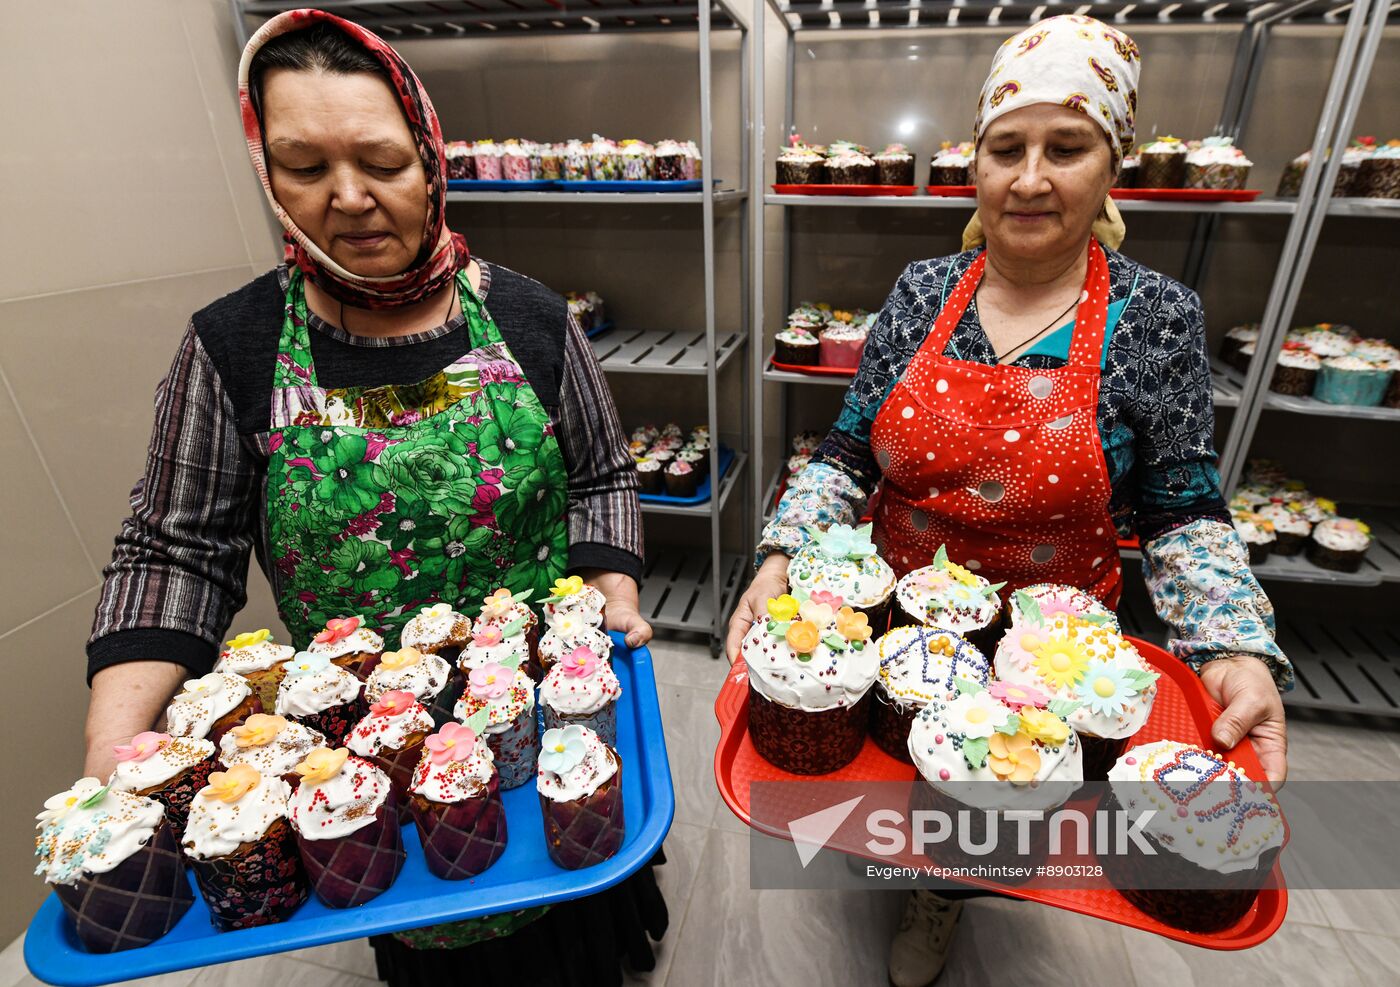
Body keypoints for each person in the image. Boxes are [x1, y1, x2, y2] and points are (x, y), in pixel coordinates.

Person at [83, 10, 664, 985]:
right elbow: (174, 552)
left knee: (575, 900)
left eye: (382, 163)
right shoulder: (235, 349)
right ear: (265, 170)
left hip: (541, 712)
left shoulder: (526, 319)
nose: (348, 198)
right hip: (364, 751)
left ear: (430, 161)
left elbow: (600, 476)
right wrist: (114, 746)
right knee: (436, 917)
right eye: (304, 167)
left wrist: (611, 592)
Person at [726, 15, 1291, 987]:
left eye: (1064, 149)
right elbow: (849, 448)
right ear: (973, 165)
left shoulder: (1152, 317)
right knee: (886, 783)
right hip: (893, 614)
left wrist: (1229, 643)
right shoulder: (920, 291)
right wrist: (783, 548)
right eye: (1005, 149)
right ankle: (896, 865)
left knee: (990, 816)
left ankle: (942, 899)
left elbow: (1182, 510)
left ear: (1108, 164)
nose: (1029, 178)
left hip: (1048, 644)